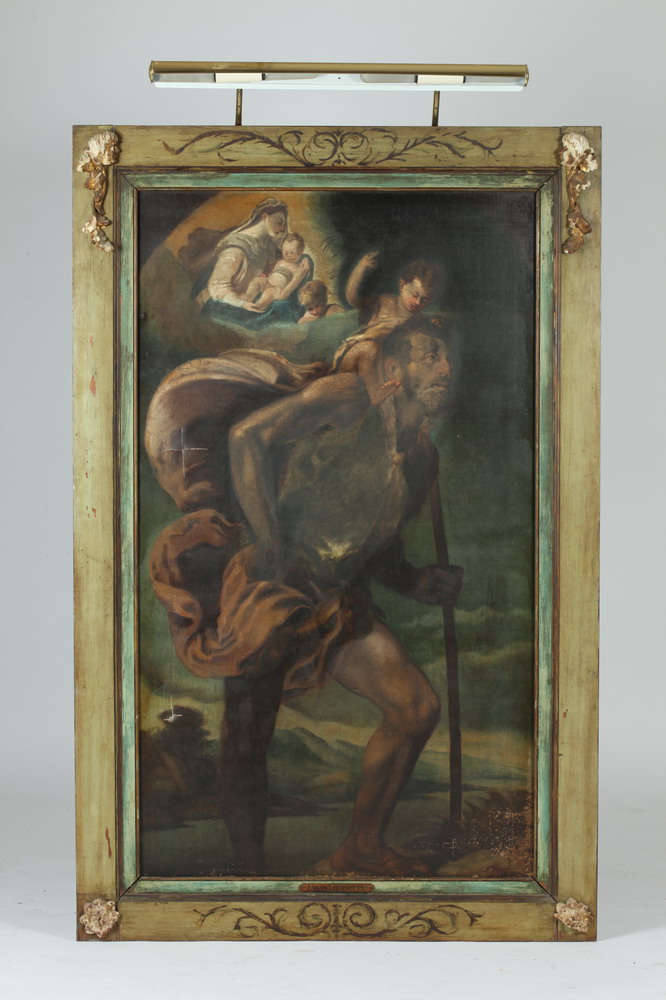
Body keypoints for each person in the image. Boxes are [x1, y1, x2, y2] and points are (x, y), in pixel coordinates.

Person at [147, 316, 462, 877]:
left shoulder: (420, 460)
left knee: (416, 708)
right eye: (431, 355)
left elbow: (376, 546)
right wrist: (271, 545)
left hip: (332, 594)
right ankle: (248, 872)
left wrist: (416, 581)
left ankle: (360, 847)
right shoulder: (349, 399)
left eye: (446, 359)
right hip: (269, 585)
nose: (446, 368)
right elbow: (248, 439)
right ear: (393, 367)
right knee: (249, 731)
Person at [183, 197, 299, 328]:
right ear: (264, 216)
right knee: (275, 314)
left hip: (245, 298)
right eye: (279, 222)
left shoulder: (264, 246)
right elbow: (217, 286)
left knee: (281, 307)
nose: (282, 229)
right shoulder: (235, 248)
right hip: (219, 303)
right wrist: (242, 304)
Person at [335, 256, 442, 395]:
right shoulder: (383, 302)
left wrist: (434, 324)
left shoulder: (421, 320)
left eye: (425, 300)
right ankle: (374, 395)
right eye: (415, 295)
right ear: (402, 285)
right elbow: (353, 299)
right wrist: (360, 269)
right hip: (359, 357)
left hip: (385, 370)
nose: (418, 302)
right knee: (371, 349)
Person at [245, 233, 312, 311]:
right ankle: (246, 301)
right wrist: (264, 279)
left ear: (300, 252)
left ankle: (257, 307)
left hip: (278, 289)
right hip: (268, 282)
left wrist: (285, 292)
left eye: (292, 252)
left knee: (268, 293)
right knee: (256, 281)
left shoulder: (298, 267)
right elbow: (272, 274)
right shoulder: (280, 262)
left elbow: (294, 282)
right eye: (285, 252)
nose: (289, 255)